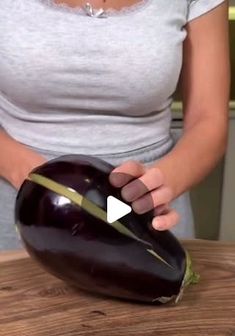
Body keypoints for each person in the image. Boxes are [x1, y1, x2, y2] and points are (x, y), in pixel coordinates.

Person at [0, 0, 230, 250]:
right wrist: (43, 182)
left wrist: (161, 185)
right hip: (23, 205)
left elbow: (208, 119)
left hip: (147, 214)